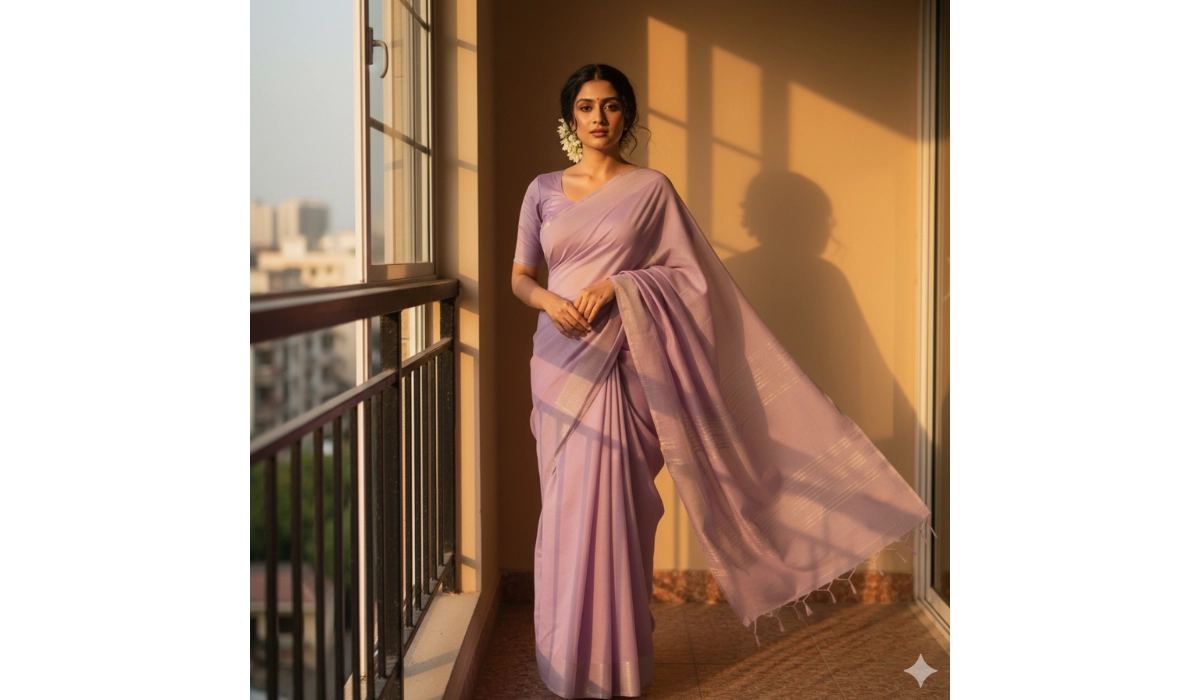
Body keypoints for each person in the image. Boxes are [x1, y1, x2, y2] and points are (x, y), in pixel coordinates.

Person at [510, 63, 933, 699]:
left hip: (625, 365)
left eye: (612, 105)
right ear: (570, 117)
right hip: (558, 361)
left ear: (628, 115)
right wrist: (549, 301)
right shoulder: (542, 189)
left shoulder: (651, 189)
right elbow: (520, 277)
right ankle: (566, 660)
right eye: (588, 106)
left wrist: (618, 286)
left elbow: (691, 278)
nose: (600, 117)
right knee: (566, 510)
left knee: (620, 510)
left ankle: (616, 665)